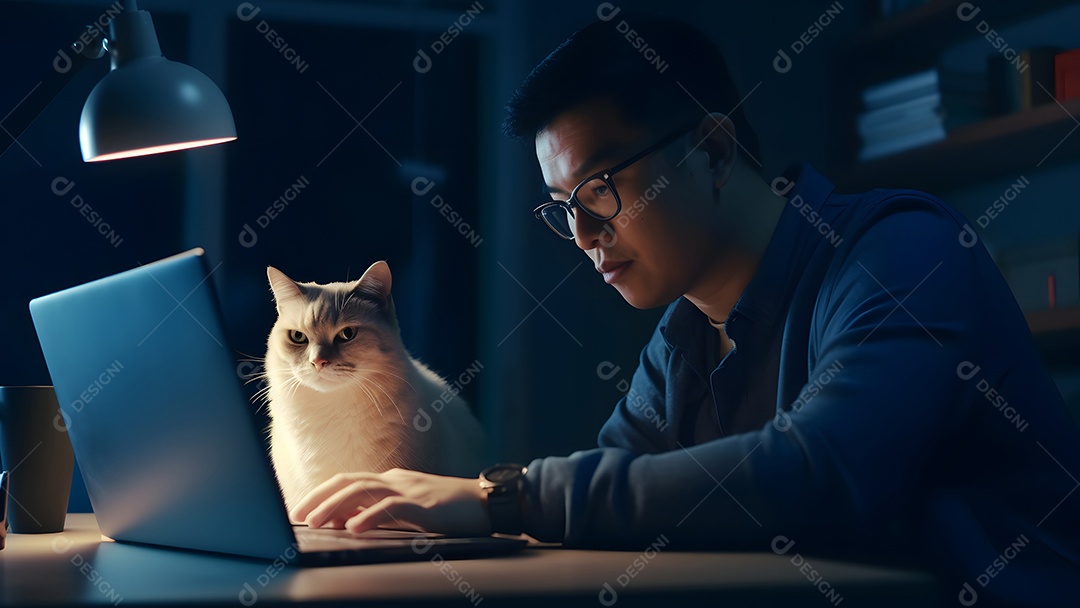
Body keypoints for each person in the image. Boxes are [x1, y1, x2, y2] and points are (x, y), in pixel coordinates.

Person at [290, 15, 1080, 603]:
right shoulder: (683, 341)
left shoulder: (904, 252)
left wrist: (503, 493)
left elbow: (820, 470)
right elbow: (620, 500)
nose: (584, 235)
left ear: (712, 150)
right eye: (562, 207)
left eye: (600, 190)